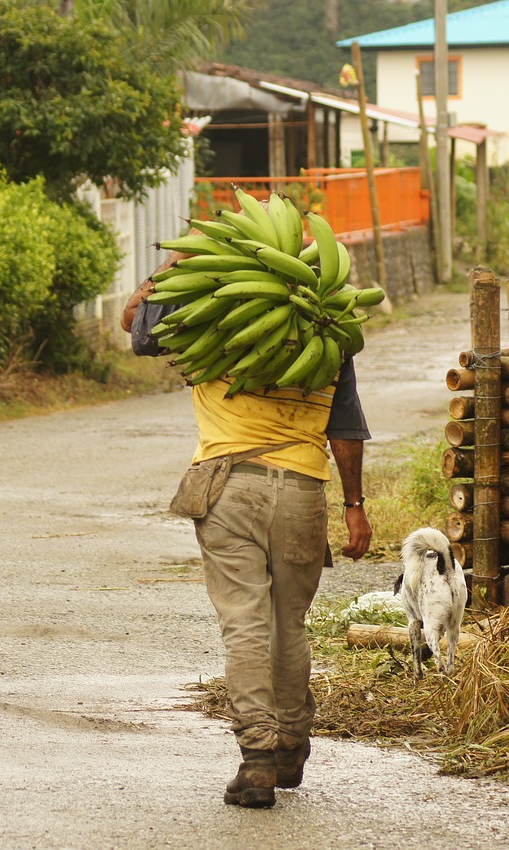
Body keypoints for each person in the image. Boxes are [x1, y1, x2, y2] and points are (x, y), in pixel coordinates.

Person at [121, 251, 372, 809]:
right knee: (290, 624)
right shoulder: (327, 330)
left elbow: (136, 329)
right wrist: (355, 504)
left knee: (244, 624)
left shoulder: (214, 316)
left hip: (229, 485)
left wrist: (167, 275)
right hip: (304, 490)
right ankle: (290, 746)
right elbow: (347, 427)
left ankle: (257, 759)